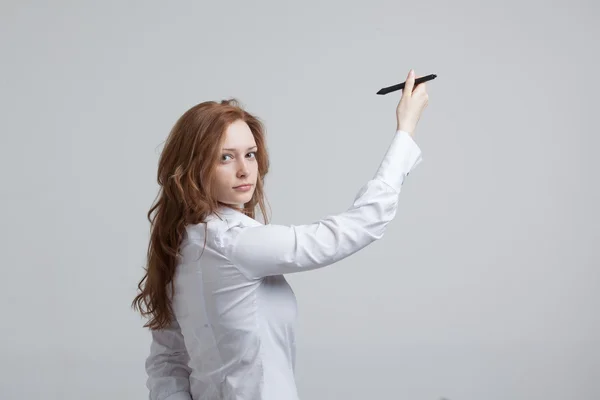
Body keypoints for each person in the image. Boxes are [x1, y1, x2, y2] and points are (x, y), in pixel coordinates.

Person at [131, 68, 429, 400]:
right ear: (192, 168)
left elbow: (167, 365)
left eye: (250, 154)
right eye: (225, 157)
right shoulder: (235, 243)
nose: (245, 169)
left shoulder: (179, 246)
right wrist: (406, 131)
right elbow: (360, 225)